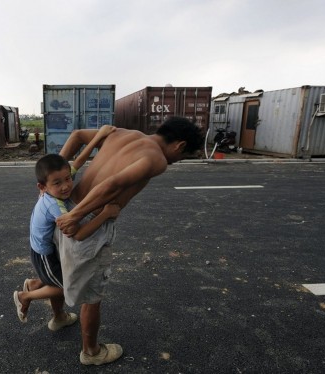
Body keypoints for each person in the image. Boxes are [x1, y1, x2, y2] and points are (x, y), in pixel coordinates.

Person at [55, 116, 203, 365]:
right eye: (184, 155)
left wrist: (55, 181)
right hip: (89, 218)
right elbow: (113, 184)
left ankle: (57, 316)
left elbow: (78, 135)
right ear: (179, 145)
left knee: (60, 264)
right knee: (92, 293)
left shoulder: (122, 132)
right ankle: (91, 352)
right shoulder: (156, 159)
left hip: (64, 203)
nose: (178, 160)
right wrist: (76, 216)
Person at [13, 125, 119, 331]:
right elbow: (77, 234)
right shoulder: (55, 205)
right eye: (57, 183)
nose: (66, 186)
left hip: (44, 248)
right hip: (43, 254)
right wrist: (106, 214)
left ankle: (35, 286)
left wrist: (99, 137)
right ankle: (25, 296)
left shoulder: (57, 185)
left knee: (59, 281)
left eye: (68, 179)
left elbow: (78, 161)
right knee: (64, 287)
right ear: (42, 187)